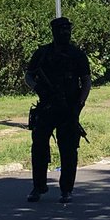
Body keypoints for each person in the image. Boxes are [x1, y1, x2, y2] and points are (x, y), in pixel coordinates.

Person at [25, 16, 91, 204]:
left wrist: (80, 103)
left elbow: (86, 81)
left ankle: (66, 190)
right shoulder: (42, 53)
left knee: (68, 150)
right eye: (60, 30)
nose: (64, 33)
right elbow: (29, 76)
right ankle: (38, 187)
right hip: (46, 107)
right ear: (53, 32)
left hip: (69, 108)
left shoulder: (77, 55)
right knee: (38, 147)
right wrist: (37, 87)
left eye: (67, 30)